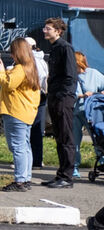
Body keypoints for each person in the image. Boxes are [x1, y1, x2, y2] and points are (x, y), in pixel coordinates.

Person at [0, 38, 41, 192]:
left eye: (12, 52)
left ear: (18, 53)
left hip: (16, 111)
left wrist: (1, 72)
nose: (11, 55)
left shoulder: (20, 68)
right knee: (25, 146)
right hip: (26, 112)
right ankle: (26, 178)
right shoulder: (31, 68)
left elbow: (8, 84)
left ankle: (20, 181)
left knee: (17, 146)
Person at [41, 18, 78, 188]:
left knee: (66, 137)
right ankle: (60, 174)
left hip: (63, 98)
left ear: (58, 31)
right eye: (45, 28)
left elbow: (70, 75)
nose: (44, 31)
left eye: (48, 28)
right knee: (59, 137)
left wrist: (62, 96)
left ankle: (67, 177)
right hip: (55, 97)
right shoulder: (54, 48)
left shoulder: (65, 48)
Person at [72, 52, 104, 178]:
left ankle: (102, 161)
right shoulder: (71, 75)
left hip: (91, 112)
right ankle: (74, 166)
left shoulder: (94, 74)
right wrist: (81, 95)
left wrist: (100, 93)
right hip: (75, 111)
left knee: (98, 138)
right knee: (74, 141)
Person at [26, 36, 49, 169]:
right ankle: (37, 160)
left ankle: (29, 159)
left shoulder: (29, 60)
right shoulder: (42, 60)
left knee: (26, 127)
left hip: (31, 95)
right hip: (42, 94)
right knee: (38, 128)